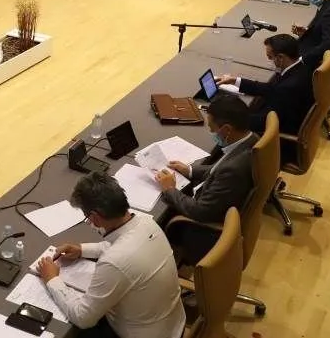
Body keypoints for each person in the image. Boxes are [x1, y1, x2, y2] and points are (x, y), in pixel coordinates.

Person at [36, 172, 185, 338]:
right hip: (173, 324)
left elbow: (83, 317)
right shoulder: (147, 223)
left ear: (95, 217)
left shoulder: (114, 262)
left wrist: (52, 280)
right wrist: (82, 250)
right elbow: (119, 245)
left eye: (87, 218)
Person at [155, 94, 258, 226]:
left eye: (212, 128)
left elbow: (200, 211)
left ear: (227, 130)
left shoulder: (233, 170)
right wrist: (189, 170)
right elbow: (218, 168)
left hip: (201, 229)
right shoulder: (251, 139)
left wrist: (169, 189)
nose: (210, 131)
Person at [216, 34, 314, 139]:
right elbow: (270, 89)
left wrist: (232, 119)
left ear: (280, 57)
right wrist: (235, 81)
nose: (269, 60)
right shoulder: (302, 68)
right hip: (288, 116)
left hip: (281, 136)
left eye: (270, 57)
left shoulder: (288, 88)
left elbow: (265, 121)